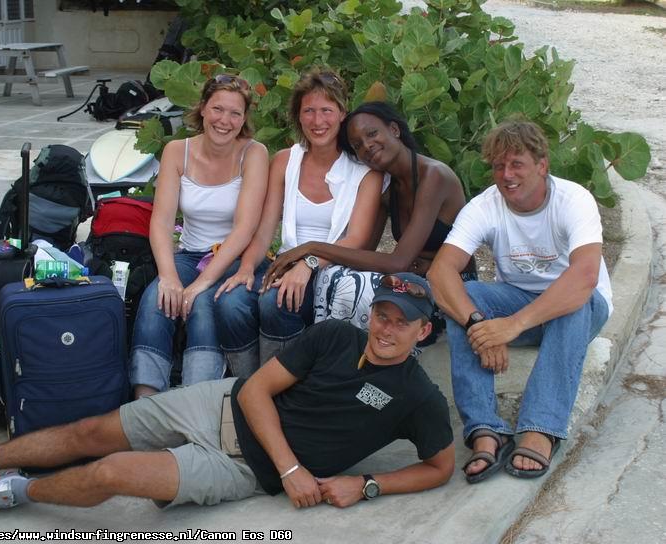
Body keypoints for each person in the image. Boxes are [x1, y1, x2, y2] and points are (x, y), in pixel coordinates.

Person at [0, 273, 453, 519]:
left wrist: (368, 484)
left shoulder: (418, 396)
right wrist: (292, 468)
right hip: (221, 403)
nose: (386, 329)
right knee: (91, 431)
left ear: (423, 332)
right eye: (382, 314)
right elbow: (256, 391)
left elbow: (440, 467)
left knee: (111, 473)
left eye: (401, 322)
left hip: (241, 469)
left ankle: (14, 491)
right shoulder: (337, 336)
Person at [426, 119, 612, 483]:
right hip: (518, 298)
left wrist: (511, 327)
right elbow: (440, 273)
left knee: (575, 300)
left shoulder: (573, 199)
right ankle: (485, 428)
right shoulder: (485, 206)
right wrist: (479, 326)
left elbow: (585, 276)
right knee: (465, 296)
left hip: (579, 307)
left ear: (542, 165)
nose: (506, 175)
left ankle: (540, 427)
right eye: (499, 166)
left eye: (516, 164)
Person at [214, 70, 381, 376]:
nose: (318, 121)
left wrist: (308, 263)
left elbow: (356, 239)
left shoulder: (364, 172)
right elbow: (265, 229)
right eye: (309, 111)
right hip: (284, 262)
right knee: (230, 303)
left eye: (327, 110)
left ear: (342, 114)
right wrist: (247, 268)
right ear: (298, 116)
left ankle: (276, 386)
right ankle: (243, 383)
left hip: (331, 270)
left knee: (276, 302)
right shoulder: (285, 161)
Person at [262, 102, 474, 343]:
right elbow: (365, 252)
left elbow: (397, 262)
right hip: (413, 276)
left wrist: (310, 248)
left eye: (372, 133)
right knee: (336, 276)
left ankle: (349, 355)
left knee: (357, 289)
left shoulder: (433, 176)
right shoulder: (390, 187)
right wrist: (308, 264)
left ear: (394, 129)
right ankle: (329, 353)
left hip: (451, 287)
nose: (367, 146)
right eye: (357, 145)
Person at [129, 74, 269, 398]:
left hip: (234, 257)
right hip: (191, 253)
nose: (225, 120)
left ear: (244, 119)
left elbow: (245, 228)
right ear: (203, 108)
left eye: (235, 113)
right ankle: (145, 401)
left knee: (203, 305)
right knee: (155, 299)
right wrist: (168, 276)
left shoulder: (254, 153)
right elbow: (162, 221)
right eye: (217, 109)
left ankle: (197, 399)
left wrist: (200, 284)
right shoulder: (177, 151)